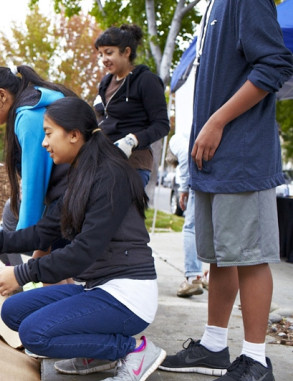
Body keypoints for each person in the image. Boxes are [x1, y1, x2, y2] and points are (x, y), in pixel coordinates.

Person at [0, 97, 165, 380]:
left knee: (34, 334)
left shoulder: (109, 176)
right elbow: (42, 232)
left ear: (74, 135)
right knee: (13, 311)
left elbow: (84, 251)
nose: (43, 143)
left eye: (49, 133)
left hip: (127, 296)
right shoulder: (82, 175)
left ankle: (130, 349)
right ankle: (97, 354)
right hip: (98, 288)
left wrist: (23, 273)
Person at [159, 0, 293, 380]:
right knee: (221, 255)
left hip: (241, 156)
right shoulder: (214, 5)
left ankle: (256, 360)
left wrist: (217, 121)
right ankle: (215, 345)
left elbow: (275, 65)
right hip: (213, 161)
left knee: (249, 256)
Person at [0, 65, 75, 263]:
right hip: (68, 199)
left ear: (2, 95)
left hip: (69, 207)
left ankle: (22, 282)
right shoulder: (35, 103)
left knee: (0, 234)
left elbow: (34, 182)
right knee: (8, 213)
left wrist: (25, 238)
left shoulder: (28, 116)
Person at [93, 24, 170, 187]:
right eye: (100, 54)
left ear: (126, 52)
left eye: (109, 52)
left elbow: (162, 125)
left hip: (133, 165)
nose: (104, 59)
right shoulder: (105, 83)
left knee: (125, 212)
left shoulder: (146, 81)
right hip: (105, 162)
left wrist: (133, 140)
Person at [169, 133, 208, 298]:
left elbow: (185, 155)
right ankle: (210, 276)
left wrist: (184, 188)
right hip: (222, 177)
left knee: (192, 227)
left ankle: (193, 277)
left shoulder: (177, 139)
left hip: (200, 180)